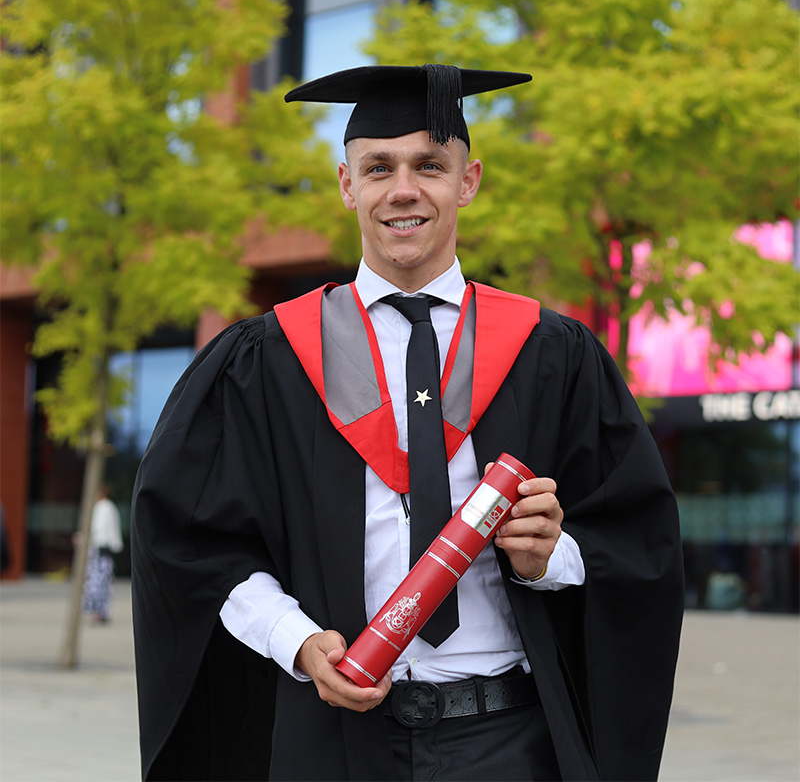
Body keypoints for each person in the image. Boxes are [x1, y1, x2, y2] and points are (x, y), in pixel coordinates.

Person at [131, 64, 684, 782]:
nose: (403, 189)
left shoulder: (552, 354)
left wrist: (555, 555)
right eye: (378, 167)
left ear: (468, 180)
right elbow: (190, 540)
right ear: (346, 184)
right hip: (332, 738)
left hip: (509, 742)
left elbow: (639, 536)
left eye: (429, 165)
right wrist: (295, 640)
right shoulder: (268, 359)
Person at [82, 485, 124, 623]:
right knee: (104, 581)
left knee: (97, 580)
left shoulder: (102, 508)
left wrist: (84, 538)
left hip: (100, 547)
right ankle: (103, 611)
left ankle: (98, 611)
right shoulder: (110, 507)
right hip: (107, 548)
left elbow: (97, 529)